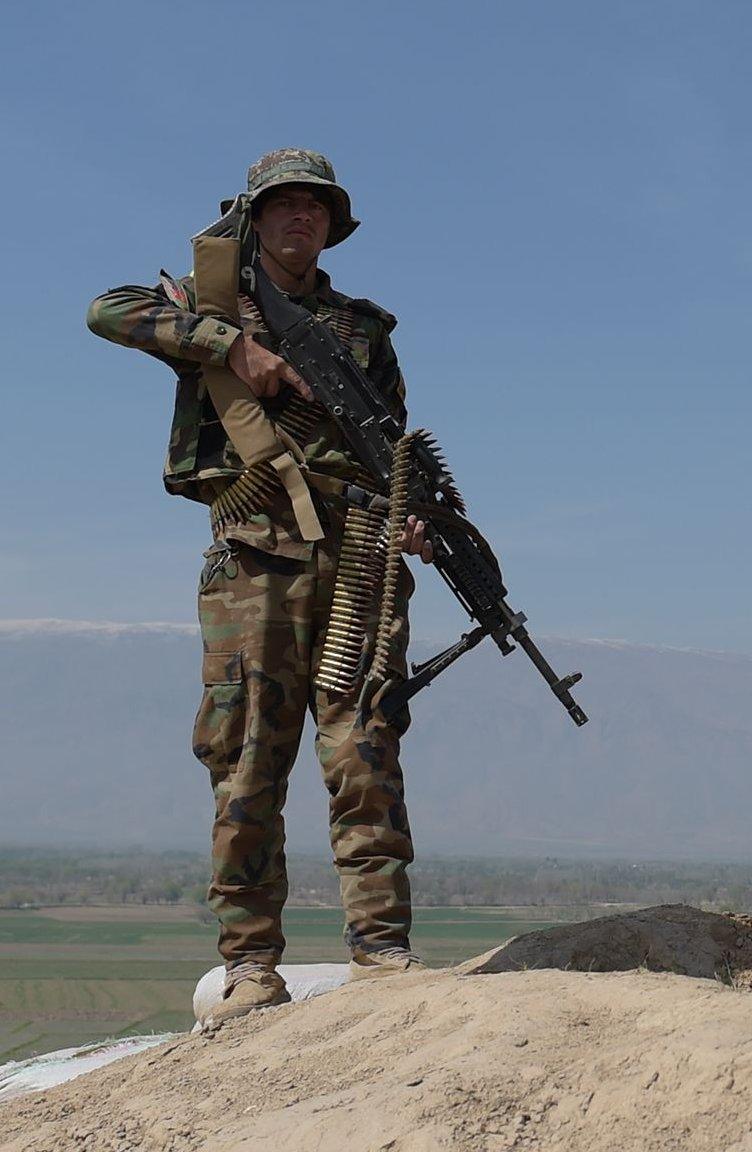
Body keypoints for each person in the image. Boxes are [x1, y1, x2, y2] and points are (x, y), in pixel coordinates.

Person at [87, 149, 434, 1022]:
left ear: (332, 224)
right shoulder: (214, 305)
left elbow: (395, 443)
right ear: (253, 217)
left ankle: (382, 952)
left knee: (365, 748)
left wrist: (416, 516)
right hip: (256, 556)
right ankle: (250, 967)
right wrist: (228, 346)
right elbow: (107, 310)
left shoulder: (363, 329)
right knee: (248, 760)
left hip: (361, 551)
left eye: (315, 208)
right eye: (282, 205)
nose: (300, 218)